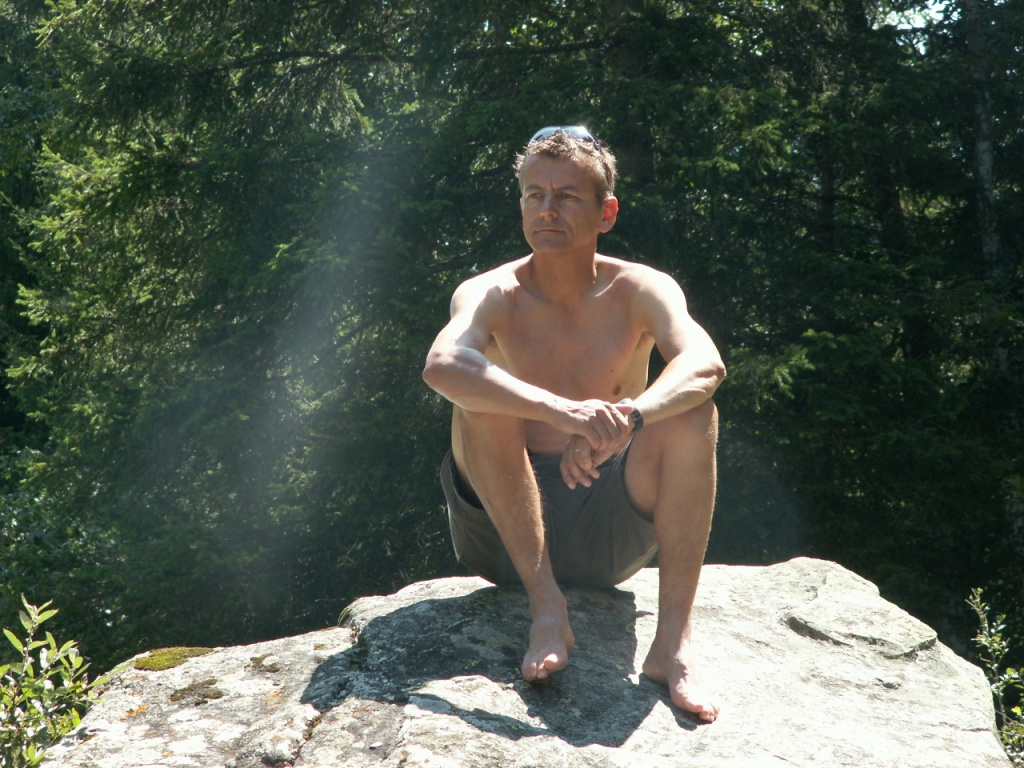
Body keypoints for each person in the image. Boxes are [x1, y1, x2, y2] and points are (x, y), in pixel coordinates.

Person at [422, 126, 725, 722]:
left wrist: (629, 419)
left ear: (606, 212)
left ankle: (672, 646)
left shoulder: (640, 288)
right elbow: (442, 365)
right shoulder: (490, 292)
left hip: (609, 521)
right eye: (534, 195)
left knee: (694, 413)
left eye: (566, 196)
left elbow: (705, 363)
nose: (547, 210)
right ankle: (547, 610)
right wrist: (564, 412)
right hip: (501, 536)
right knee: (478, 398)